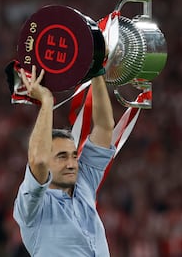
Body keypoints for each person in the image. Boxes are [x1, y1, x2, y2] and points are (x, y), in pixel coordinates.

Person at [13, 65, 116, 256]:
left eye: (74, 156)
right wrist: (46, 102)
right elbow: (39, 160)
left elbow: (104, 127)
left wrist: (96, 72)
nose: (71, 163)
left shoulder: (84, 183)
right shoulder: (33, 206)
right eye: (61, 157)